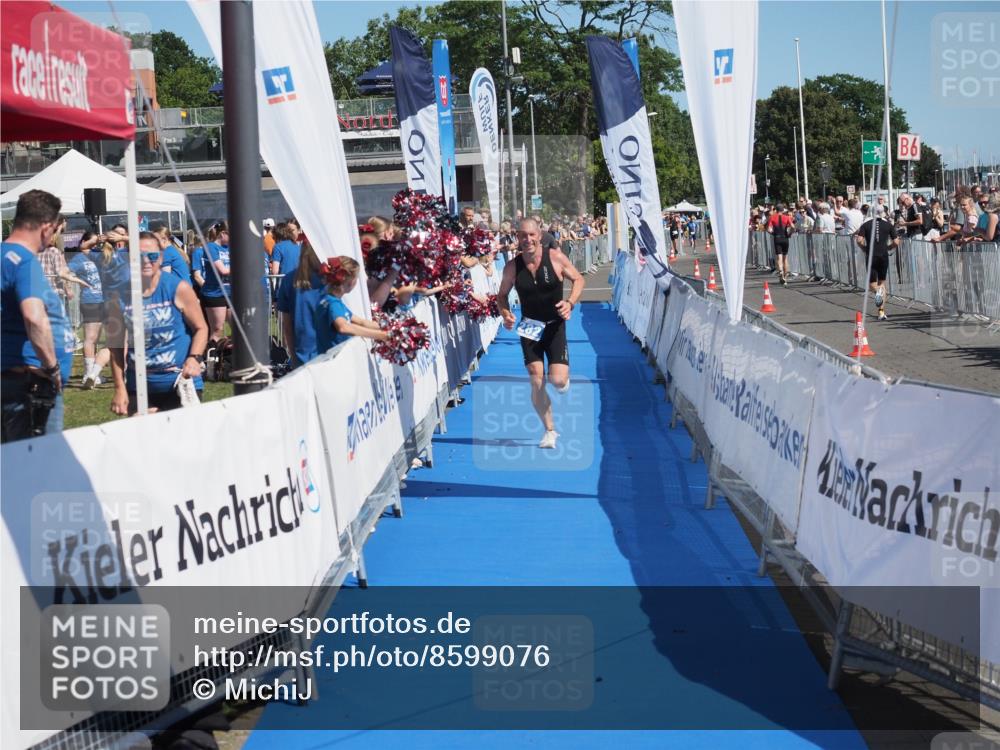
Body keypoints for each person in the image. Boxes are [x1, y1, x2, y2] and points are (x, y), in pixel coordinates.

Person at [496, 218, 585, 450]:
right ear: (517, 238)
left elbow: (578, 279)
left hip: (555, 326)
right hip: (530, 328)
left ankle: (562, 381)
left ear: (539, 236)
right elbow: (501, 296)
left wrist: (570, 303)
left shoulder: (555, 257)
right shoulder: (512, 267)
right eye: (523, 236)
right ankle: (550, 430)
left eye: (532, 235)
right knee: (536, 378)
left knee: (558, 380)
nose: (528, 240)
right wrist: (505, 313)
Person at [108, 232, 208, 415]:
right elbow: (115, 348)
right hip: (139, 385)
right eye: (139, 256)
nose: (146, 261)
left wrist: (194, 358)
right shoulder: (118, 295)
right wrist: (119, 388)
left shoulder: (179, 288)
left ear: (161, 257)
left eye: (152, 256)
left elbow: (201, 328)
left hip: (179, 382)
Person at [1, 190, 66, 442]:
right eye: (55, 230)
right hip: (27, 383)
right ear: (46, 227)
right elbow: (34, 317)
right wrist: (52, 366)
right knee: (38, 461)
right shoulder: (24, 262)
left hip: (9, 379)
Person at [314, 256, 388, 353]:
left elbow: (361, 322)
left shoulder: (330, 300)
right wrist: (381, 335)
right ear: (351, 282)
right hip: (334, 359)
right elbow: (343, 327)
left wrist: (387, 328)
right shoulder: (333, 303)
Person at [276, 237, 325, 368]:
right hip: (328, 351)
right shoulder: (329, 279)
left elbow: (287, 325)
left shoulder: (288, 279)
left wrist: (293, 356)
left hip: (302, 354)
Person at [69, 231, 108, 387]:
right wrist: (72, 285)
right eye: (92, 242)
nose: (95, 245)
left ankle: (94, 373)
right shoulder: (78, 258)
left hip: (106, 300)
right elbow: (66, 273)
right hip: (90, 300)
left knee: (102, 339)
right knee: (90, 338)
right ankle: (88, 374)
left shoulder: (99, 254)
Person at [855, 209, 899, 321]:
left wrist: (864, 248)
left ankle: (878, 294)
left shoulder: (865, 225)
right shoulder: (888, 225)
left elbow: (859, 240)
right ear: (882, 214)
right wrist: (888, 247)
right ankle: (881, 312)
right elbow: (896, 242)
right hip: (883, 256)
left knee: (872, 285)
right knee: (882, 284)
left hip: (871, 256)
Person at [201, 221, 231, 342]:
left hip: (230, 293)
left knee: (239, 328)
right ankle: (212, 352)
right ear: (223, 233)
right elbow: (222, 270)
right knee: (218, 329)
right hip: (215, 293)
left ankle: (229, 351)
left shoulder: (231, 248)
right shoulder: (211, 247)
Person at [767, 204, 795, 285]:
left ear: (776, 210)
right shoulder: (787, 217)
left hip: (777, 238)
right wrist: (790, 234)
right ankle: (785, 278)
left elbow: (768, 229)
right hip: (785, 238)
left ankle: (781, 272)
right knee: (785, 258)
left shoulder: (772, 217)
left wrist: (773, 233)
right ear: (783, 210)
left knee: (779, 257)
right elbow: (793, 227)